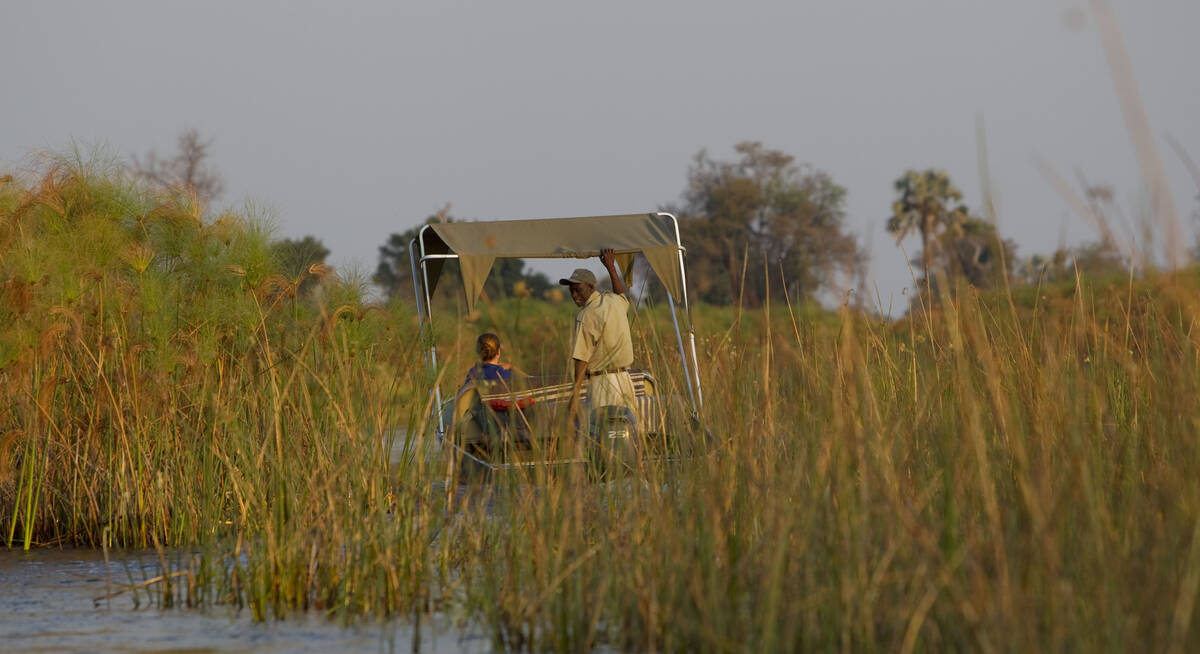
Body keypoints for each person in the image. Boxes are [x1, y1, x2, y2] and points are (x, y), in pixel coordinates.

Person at [560, 248, 636, 426]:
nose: (574, 295)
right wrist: (611, 268)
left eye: (578, 289)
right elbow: (621, 294)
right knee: (627, 435)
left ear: (590, 287)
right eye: (571, 290)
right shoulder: (614, 301)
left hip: (602, 384)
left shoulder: (586, 315)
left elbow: (581, 358)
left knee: (602, 438)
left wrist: (575, 395)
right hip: (625, 380)